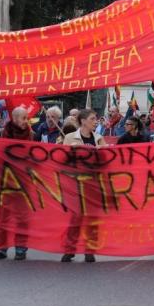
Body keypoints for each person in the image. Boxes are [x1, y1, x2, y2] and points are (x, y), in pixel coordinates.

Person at [62, 109, 106, 262]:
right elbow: (61, 161)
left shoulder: (99, 139)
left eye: (96, 119)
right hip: (76, 185)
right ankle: (69, 249)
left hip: (94, 185)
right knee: (76, 218)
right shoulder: (69, 138)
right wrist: (71, 151)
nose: (96, 121)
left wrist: (103, 152)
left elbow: (106, 164)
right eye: (93, 119)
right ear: (83, 121)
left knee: (93, 219)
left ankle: (90, 250)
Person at [0, 106, 33, 261]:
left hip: (23, 183)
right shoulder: (0, 134)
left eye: (26, 118)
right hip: (5, 182)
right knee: (3, 217)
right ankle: (1, 248)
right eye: (23, 118)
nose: (26, 121)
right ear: (15, 118)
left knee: (22, 218)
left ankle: (21, 248)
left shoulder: (31, 134)